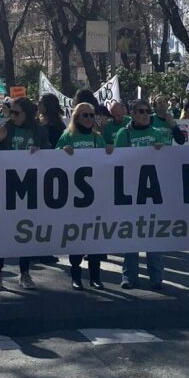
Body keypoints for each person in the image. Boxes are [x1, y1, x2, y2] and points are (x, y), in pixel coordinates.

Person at [0, 96, 50, 290]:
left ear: (27, 113)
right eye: (10, 112)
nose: (12, 115)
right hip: (7, 184)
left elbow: (49, 151)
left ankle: (25, 272)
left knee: (25, 230)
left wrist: (40, 150)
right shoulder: (7, 126)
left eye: (16, 112)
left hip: (30, 185)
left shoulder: (38, 130)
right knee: (3, 229)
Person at [114, 100, 171, 290]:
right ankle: (129, 277)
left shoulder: (156, 134)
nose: (146, 114)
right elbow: (117, 162)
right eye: (141, 111)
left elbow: (167, 162)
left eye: (148, 111)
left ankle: (156, 277)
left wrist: (161, 152)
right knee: (131, 236)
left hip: (152, 193)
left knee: (153, 236)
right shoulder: (124, 134)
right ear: (132, 114)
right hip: (130, 192)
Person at [57, 102, 112, 290]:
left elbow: (108, 162)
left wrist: (110, 152)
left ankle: (95, 276)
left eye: (91, 115)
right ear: (76, 117)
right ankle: (76, 275)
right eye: (85, 115)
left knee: (94, 238)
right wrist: (62, 152)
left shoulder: (98, 138)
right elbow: (53, 159)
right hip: (74, 196)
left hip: (95, 196)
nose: (89, 119)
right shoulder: (68, 136)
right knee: (77, 238)